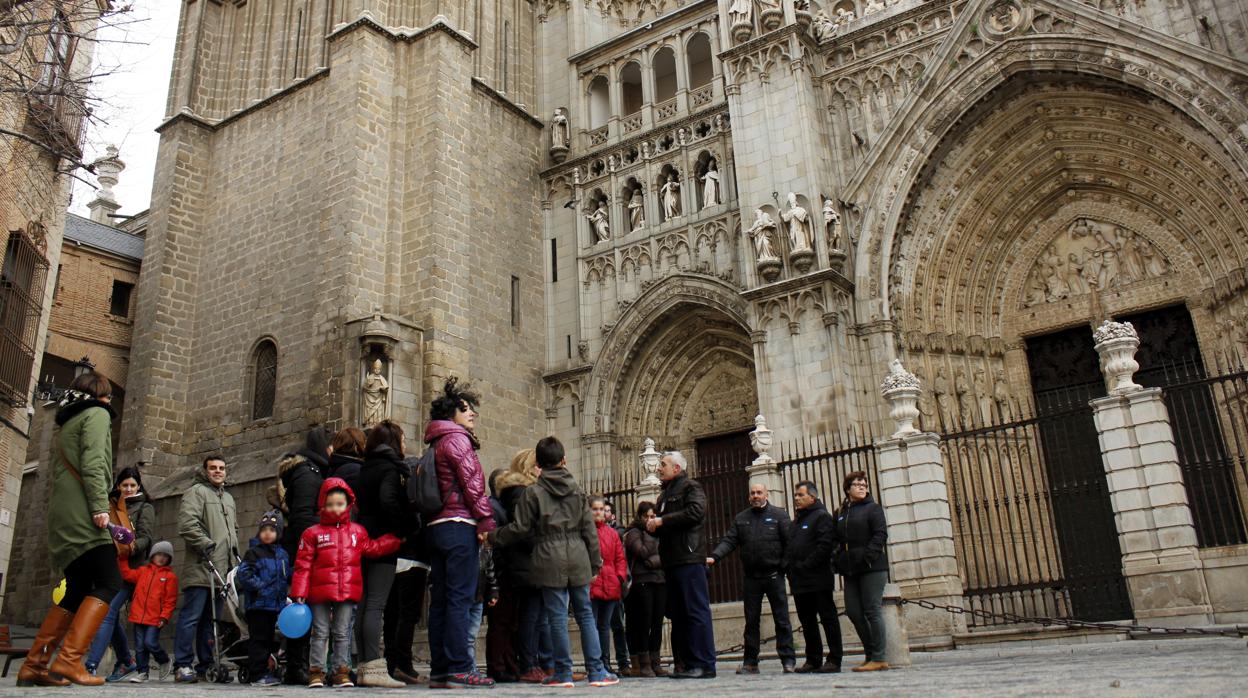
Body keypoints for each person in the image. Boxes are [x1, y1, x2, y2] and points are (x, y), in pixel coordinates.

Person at [18, 372, 123, 687]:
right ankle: (68, 660)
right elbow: (94, 462)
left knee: (77, 588)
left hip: (63, 515)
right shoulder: (97, 414)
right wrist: (100, 507)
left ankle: (34, 665)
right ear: (101, 395)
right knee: (108, 581)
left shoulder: (66, 424)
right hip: (84, 513)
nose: (110, 402)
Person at [489, 437, 618, 688]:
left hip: (548, 556)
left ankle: (563, 672)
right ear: (564, 461)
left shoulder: (533, 492)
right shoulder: (578, 491)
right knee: (585, 616)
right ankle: (597, 671)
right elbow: (589, 531)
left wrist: (492, 537)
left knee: (556, 618)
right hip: (578, 554)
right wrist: (595, 562)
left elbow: (519, 529)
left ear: (539, 463)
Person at [290, 478, 401, 688]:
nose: (334, 508)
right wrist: (299, 591)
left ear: (348, 505)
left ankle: (340, 671)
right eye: (330, 504)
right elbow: (302, 565)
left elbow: (373, 547)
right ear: (322, 504)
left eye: (339, 504)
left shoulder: (357, 532)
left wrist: (395, 540)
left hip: (347, 590)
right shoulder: (312, 533)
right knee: (320, 632)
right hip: (318, 592)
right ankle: (317, 671)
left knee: (342, 632)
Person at [423, 378, 497, 688]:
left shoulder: (436, 441)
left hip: (437, 527)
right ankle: (459, 667)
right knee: (459, 599)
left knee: (441, 599)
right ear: (452, 412)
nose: (472, 415)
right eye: (466, 409)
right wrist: (485, 521)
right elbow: (473, 485)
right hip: (459, 524)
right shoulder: (457, 439)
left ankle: (441, 668)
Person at [708, 482, 796, 674]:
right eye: (752, 493)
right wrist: (714, 557)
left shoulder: (779, 515)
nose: (755, 496)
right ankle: (750, 662)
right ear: (749, 497)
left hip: (774, 576)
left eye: (759, 492)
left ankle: (788, 660)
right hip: (751, 578)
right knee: (751, 621)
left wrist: (783, 567)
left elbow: (790, 543)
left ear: (766, 494)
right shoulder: (741, 518)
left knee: (781, 620)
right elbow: (729, 541)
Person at [354, 420, 416, 687]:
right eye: (402, 438)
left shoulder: (366, 467)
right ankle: (373, 667)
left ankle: (364, 664)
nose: (404, 443)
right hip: (383, 539)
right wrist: (402, 529)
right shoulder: (390, 468)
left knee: (365, 602)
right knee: (376, 603)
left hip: (365, 536)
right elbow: (388, 500)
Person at [648, 450, 716, 679]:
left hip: (689, 558)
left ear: (676, 468)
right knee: (679, 615)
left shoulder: (691, 487)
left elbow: (696, 512)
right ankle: (687, 663)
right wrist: (654, 527)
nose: (659, 468)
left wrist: (662, 520)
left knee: (696, 612)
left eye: (663, 464)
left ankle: (704, 664)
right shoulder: (663, 496)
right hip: (672, 560)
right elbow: (668, 524)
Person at [273, 425, 332, 685]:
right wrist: (313, 549)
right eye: (330, 445)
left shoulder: (309, 469)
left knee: (304, 607)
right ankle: (296, 666)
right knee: (301, 607)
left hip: (302, 549)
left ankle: (298, 664)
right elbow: (303, 517)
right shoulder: (308, 472)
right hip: (305, 552)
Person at [173, 455, 240, 683]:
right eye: (213, 468)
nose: (218, 471)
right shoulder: (196, 492)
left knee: (211, 620)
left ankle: (206, 664)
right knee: (191, 617)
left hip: (222, 570)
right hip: (201, 565)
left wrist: (235, 555)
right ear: (205, 470)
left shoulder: (229, 498)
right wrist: (205, 544)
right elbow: (187, 524)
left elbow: (234, 530)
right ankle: (182, 664)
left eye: (221, 468)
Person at [85, 466, 155, 680]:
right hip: (107, 565)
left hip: (129, 569)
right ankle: (126, 661)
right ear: (118, 486)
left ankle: (90, 665)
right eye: (124, 485)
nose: (128, 489)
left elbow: (146, 537)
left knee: (107, 612)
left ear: (138, 486)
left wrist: (130, 547)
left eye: (132, 485)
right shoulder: (110, 505)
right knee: (111, 616)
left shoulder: (145, 507)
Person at [494, 451, 546, 684]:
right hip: (526, 563)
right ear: (528, 468)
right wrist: (544, 542)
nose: (542, 469)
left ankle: (526, 663)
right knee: (530, 618)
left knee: (528, 618)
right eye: (538, 465)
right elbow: (523, 531)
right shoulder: (522, 493)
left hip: (526, 563)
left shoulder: (520, 492)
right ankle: (528, 664)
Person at [835, 471, 890, 672]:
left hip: (871, 567)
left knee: (872, 610)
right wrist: (837, 558)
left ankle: (879, 656)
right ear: (847, 489)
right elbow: (837, 540)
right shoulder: (841, 512)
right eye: (857, 484)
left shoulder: (873, 509)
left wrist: (867, 556)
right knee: (853, 611)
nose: (862, 487)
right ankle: (870, 653)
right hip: (850, 569)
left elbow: (880, 534)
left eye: (864, 484)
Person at [786, 481, 842, 673]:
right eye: (795, 495)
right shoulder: (797, 521)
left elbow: (825, 546)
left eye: (800, 495)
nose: (796, 498)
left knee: (828, 619)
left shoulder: (821, 517)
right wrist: (791, 569)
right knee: (807, 621)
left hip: (818, 578)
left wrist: (805, 565)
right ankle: (813, 658)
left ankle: (834, 658)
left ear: (812, 496)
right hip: (800, 581)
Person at [235, 510, 291, 687]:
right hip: (258, 605)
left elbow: (286, 576)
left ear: (279, 533)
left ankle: (265, 670)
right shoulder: (254, 552)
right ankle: (257, 674)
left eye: (272, 530)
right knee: (258, 639)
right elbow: (244, 573)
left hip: (275, 605)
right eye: (264, 529)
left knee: (268, 639)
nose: (268, 533)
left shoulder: (283, 555)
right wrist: (260, 586)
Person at [116, 541, 177, 683]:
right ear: (152, 555)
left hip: (155, 618)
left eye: (165, 556)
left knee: (150, 643)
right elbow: (127, 574)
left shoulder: (170, 577)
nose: (161, 558)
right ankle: (143, 672)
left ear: (169, 559)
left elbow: (170, 600)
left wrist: (164, 617)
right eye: (158, 554)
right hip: (138, 616)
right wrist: (122, 558)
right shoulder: (143, 571)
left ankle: (164, 660)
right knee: (139, 647)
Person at [623, 502, 666, 678]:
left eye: (652, 516)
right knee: (643, 622)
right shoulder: (634, 532)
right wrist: (651, 538)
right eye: (647, 516)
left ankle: (655, 660)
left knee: (657, 622)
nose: (650, 520)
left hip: (660, 580)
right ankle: (644, 662)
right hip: (642, 581)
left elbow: (667, 553)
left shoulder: (660, 532)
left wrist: (654, 561)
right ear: (640, 517)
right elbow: (641, 552)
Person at [384, 526, 430, 685]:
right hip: (413, 555)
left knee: (393, 613)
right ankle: (403, 665)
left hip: (395, 555)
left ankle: (392, 664)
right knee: (408, 614)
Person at [589, 496, 627, 678]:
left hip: (610, 582)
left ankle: (605, 661)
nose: (599, 512)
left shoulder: (612, 533)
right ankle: (594, 662)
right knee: (592, 624)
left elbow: (620, 557)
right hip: (592, 581)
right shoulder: (586, 531)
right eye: (595, 509)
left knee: (604, 626)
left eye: (601, 509)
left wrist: (619, 576)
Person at [602, 501, 630, 675]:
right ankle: (603, 662)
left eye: (606, 511)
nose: (603, 513)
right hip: (599, 584)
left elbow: (620, 558)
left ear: (613, 515)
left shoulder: (617, 532)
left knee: (618, 625)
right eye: (599, 510)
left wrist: (620, 578)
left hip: (613, 585)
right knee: (602, 626)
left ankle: (623, 662)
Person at [467, 535, 499, 674]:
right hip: (466, 598)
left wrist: (493, 592)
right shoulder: (465, 549)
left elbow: (490, 573)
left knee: (471, 637)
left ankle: (471, 667)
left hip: (478, 598)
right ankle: (468, 668)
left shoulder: (485, 551)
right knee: (467, 637)